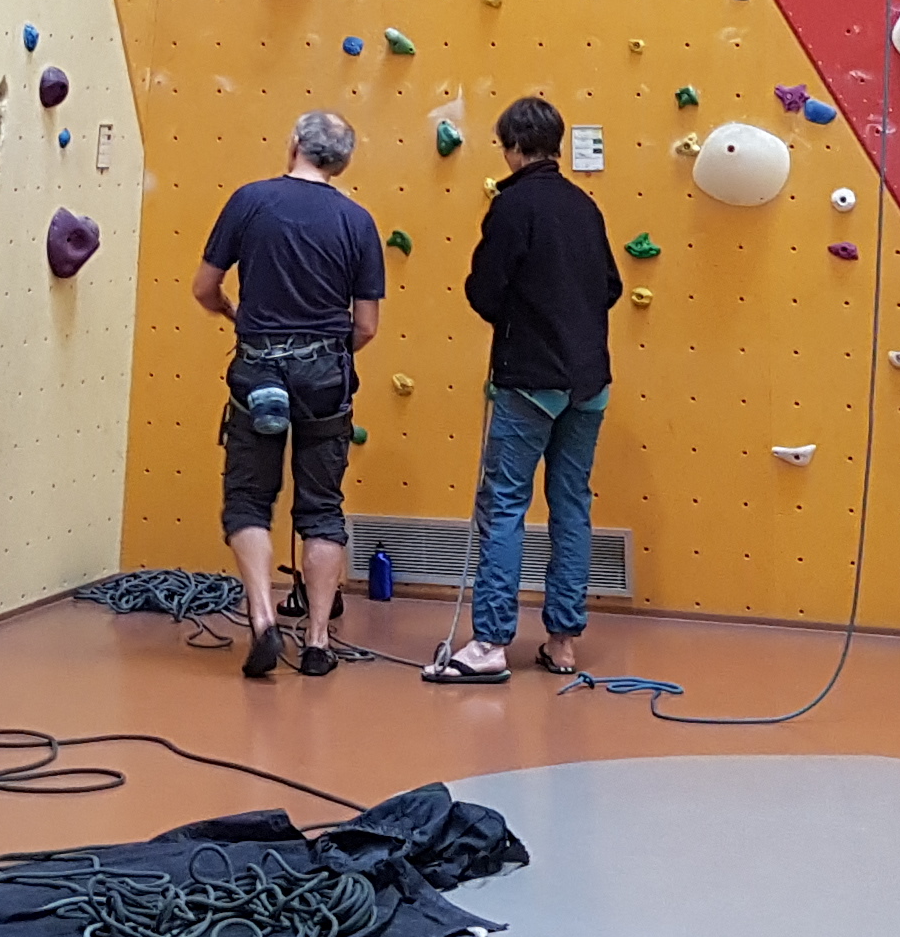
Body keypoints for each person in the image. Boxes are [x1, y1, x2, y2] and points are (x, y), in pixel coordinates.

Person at [423, 97, 622, 684]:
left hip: (529, 380)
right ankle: (562, 642)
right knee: (571, 505)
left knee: (506, 506)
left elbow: (485, 290)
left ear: (511, 147)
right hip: (591, 382)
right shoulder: (585, 207)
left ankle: (488, 644)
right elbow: (609, 286)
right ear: (556, 145)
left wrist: (522, 317)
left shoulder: (511, 205)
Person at [193, 110, 387, 678]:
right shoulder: (357, 221)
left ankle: (261, 619)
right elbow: (367, 325)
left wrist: (236, 314)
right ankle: (319, 641)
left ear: (296, 143)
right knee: (322, 506)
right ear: (343, 162)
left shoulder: (250, 201)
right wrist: (328, 354)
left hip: (258, 370)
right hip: (325, 373)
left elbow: (205, 287)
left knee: (249, 499)